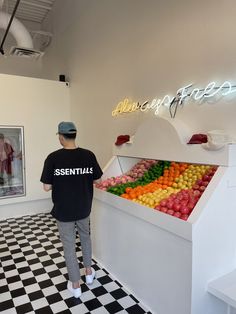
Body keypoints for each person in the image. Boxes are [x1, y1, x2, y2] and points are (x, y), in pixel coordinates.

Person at [40, 121, 103, 298]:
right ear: (74, 135)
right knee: (85, 238)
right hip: (84, 207)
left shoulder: (53, 158)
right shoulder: (88, 155)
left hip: (64, 210)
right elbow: (98, 180)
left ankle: (75, 285)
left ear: (61, 137)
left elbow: (46, 187)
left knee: (69, 246)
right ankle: (89, 273)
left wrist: (62, 181)